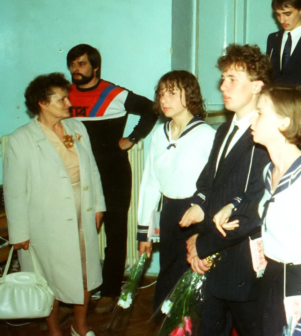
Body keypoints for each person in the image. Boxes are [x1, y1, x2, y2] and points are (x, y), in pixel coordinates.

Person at [218, 85, 301, 336]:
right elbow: (265, 205)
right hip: (274, 279)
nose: (252, 119)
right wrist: (232, 205)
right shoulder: (271, 170)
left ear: (284, 122)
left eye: (260, 113)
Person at [179, 44, 272, 336]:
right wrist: (198, 206)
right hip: (213, 258)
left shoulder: (264, 135)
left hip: (242, 263)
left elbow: (251, 206)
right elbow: (209, 181)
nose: (222, 86)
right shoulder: (222, 130)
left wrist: (202, 246)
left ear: (256, 86)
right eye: (223, 78)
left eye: (233, 79)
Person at [4, 73, 106, 336]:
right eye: (61, 99)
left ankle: (79, 325)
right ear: (42, 103)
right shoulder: (21, 139)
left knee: (84, 270)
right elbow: (14, 191)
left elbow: (91, 168)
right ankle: (53, 329)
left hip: (82, 210)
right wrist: (19, 233)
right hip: (45, 219)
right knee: (48, 277)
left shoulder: (76, 127)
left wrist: (98, 205)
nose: (68, 103)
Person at [66, 44, 158, 313]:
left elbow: (152, 109)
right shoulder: (66, 95)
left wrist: (132, 139)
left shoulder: (113, 93)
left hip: (113, 172)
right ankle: (75, 293)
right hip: (80, 173)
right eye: (72, 64)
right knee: (77, 233)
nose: (75, 69)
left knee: (115, 232)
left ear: (95, 67)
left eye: (81, 63)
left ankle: (110, 291)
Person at [136, 71, 215, 312]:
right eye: (161, 94)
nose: (164, 99)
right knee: (168, 275)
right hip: (170, 213)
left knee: (194, 280)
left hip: (197, 214)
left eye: (172, 93)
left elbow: (216, 183)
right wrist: (144, 232)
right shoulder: (159, 134)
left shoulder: (207, 135)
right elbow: (150, 182)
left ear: (189, 95)